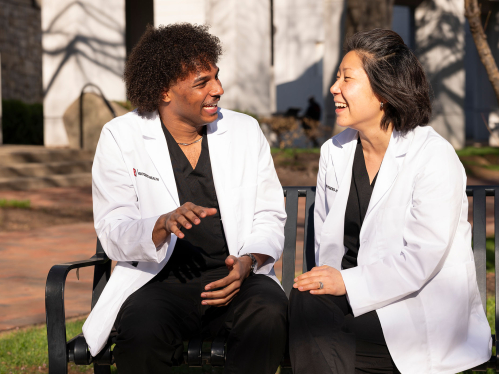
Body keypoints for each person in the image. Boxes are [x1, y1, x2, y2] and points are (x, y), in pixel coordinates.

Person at [82, 23, 288, 374]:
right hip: (159, 282)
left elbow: (269, 215)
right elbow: (113, 229)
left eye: (216, 77)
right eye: (202, 82)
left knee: (268, 315)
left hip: (235, 278)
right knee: (141, 333)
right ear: (164, 91)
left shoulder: (244, 131)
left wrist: (248, 261)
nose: (218, 89)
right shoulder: (121, 136)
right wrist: (160, 225)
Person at [288, 29, 491, 374]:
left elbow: (421, 259)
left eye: (346, 79)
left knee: (313, 329)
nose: (334, 88)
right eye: (337, 78)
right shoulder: (333, 153)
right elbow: (325, 242)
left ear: (383, 91)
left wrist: (346, 284)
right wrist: (335, 284)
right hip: (348, 303)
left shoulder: (432, 156)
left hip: (415, 309)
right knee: (307, 306)